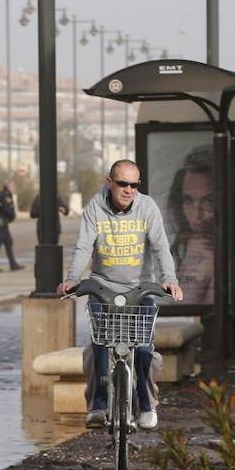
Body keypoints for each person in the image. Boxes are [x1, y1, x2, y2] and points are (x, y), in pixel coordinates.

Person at [59, 159, 183, 431]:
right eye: (123, 184)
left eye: (134, 185)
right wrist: (72, 279)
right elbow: (83, 247)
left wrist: (169, 280)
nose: (129, 190)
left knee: (144, 350)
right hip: (103, 288)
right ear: (109, 183)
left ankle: (147, 407)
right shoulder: (95, 207)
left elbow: (161, 247)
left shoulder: (147, 207)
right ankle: (98, 406)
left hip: (140, 289)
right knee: (98, 347)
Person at [165, 145, 215, 305]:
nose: (197, 213)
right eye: (188, 200)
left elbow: (184, 306)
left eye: (208, 202)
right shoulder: (182, 247)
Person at [0, 181, 23, 272]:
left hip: (1, 222)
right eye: (12, 186)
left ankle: (13, 264)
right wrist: (12, 216)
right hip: (1, 222)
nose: (14, 187)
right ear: (8, 187)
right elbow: (7, 209)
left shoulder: (0, 194)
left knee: (8, 243)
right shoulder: (5, 196)